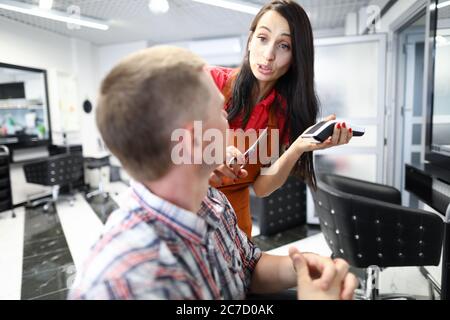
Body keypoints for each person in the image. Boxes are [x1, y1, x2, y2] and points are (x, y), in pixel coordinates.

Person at [68, 45, 357, 300]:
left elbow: (249, 267)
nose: (230, 125)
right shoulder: (123, 283)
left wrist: (301, 266)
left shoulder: (213, 202)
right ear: (195, 139)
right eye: (221, 112)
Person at [207, 0, 353, 238]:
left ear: (296, 57)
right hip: (187, 215)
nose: (269, 55)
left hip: (234, 228)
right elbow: (165, 146)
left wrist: (297, 148)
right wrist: (208, 157)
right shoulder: (210, 81)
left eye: (283, 45)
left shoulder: (283, 113)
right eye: (263, 38)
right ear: (250, 40)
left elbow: (262, 188)